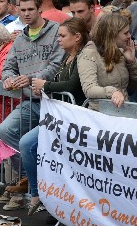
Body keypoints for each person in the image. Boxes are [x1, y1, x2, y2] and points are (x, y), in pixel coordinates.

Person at [16, 18, 92, 215]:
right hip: (58, 116)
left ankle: (59, 204)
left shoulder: (82, 56)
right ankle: (38, 193)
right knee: (27, 144)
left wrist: (45, 86)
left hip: (74, 119)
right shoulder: (67, 57)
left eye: (62, 36)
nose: (58, 40)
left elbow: (73, 86)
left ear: (77, 37)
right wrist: (43, 89)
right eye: (58, 35)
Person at [0, 0, 65, 154]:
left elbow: (57, 65)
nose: (26, 14)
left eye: (30, 9)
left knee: (48, 146)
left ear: (39, 9)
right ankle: (26, 174)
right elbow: (8, 67)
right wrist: (8, 79)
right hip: (31, 101)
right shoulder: (20, 38)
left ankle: (37, 174)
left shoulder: (57, 31)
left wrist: (30, 79)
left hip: (56, 100)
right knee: (6, 130)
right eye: (23, 10)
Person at [78, 11, 137, 112]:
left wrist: (132, 62)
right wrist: (112, 92)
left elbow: (135, 86)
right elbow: (89, 89)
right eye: (125, 33)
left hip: (123, 112)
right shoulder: (89, 54)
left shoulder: (121, 52)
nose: (129, 36)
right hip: (101, 115)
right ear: (113, 34)